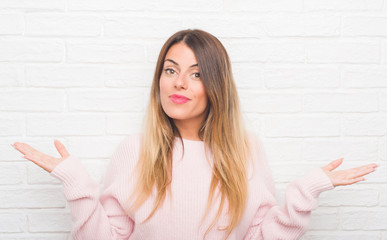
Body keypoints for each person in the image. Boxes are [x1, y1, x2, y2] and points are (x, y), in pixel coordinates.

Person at [11, 29, 378, 240]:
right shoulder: (135, 150)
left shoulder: (245, 151)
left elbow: (262, 237)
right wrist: (76, 183)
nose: (179, 83)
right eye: (170, 70)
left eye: (197, 73)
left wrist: (306, 190)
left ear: (216, 84)